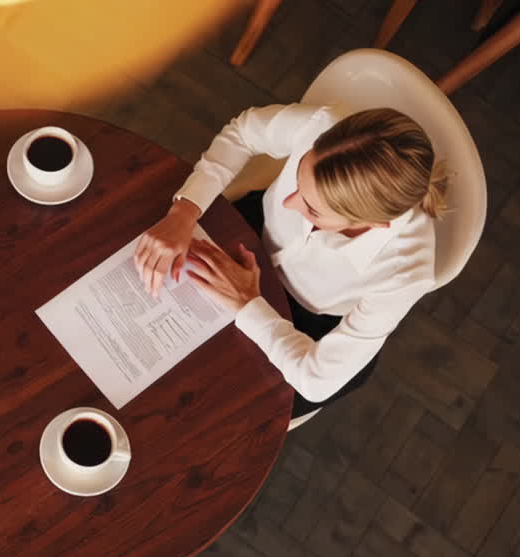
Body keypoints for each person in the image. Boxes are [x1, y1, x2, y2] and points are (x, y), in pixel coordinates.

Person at [134, 105, 447, 418]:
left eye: (312, 209)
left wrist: (247, 303)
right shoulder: (320, 125)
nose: (287, 202)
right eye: (297, 179)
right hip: (251, 230)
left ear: (374, 224)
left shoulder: (407, 272)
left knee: (204, 404)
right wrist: (185, 211)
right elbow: (243, 132)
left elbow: (315, 381)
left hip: (305, 318)